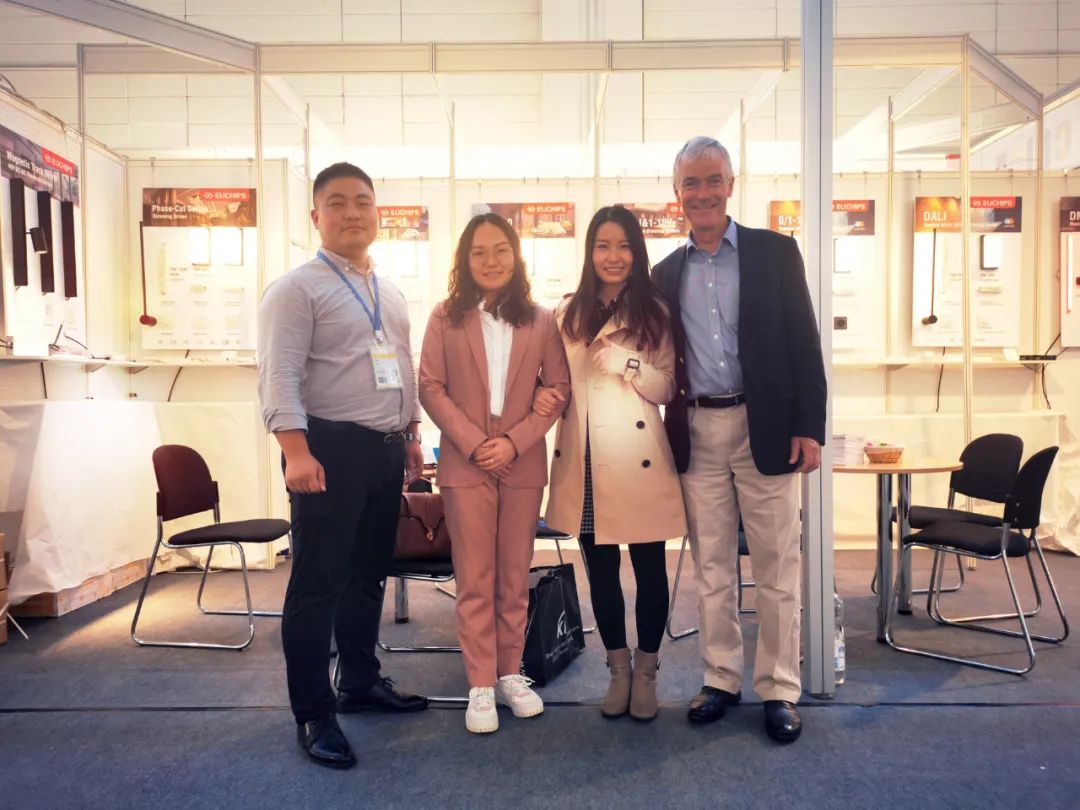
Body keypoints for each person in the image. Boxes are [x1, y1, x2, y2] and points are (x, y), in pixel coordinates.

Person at [651, 137, 827, 744]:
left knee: (779, 564)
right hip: (698, 430)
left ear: (731, 184)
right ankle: (720, 678)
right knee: (712, 566)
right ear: (676, 194)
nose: (702, 193)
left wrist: (809, 425)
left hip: (766, 426)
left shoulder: (775, 253)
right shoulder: (664, 273)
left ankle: (778, 688)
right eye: (690, 183)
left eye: (712, 180)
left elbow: (805, 342)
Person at [257, 162, 429, 770]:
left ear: (378, 213)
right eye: (337, 203)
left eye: (363, 201)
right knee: (317, 584)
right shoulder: (296, 289)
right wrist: (295, 452)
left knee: (367, 576)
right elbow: (278, 374)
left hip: (385, 450)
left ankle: (359, 681)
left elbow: (401, 366)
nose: (352, 212)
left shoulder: (390, 292)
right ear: (316, 216)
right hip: (327, 450)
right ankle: (313, 712)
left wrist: (412, 434)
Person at [418, 213, 570, 734]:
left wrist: (514, 441)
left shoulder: (541, 320)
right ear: (465, 260)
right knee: (475, 577)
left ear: (515, 255)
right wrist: (476, 442)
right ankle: (480, 682)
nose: (490, 260)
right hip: (467, 464)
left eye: (500, 249)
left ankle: (510, 673)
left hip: (522, 463)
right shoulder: (445, 317)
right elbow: (430, 386)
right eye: (479, 251)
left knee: (513, 576)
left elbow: (558, 389)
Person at [534, 206, 686, 722]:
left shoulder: (655, 311)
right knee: (600, 572)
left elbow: (668, 388)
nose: (613, 256)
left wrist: (632, 364)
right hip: (585, 460)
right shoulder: (566, 313)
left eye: (623, 246)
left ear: (637, 252)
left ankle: (647, 672)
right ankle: (618, 671)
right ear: (590, 252)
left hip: (636, 456)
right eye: (603, 245)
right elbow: (552, 381)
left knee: (648, 570)